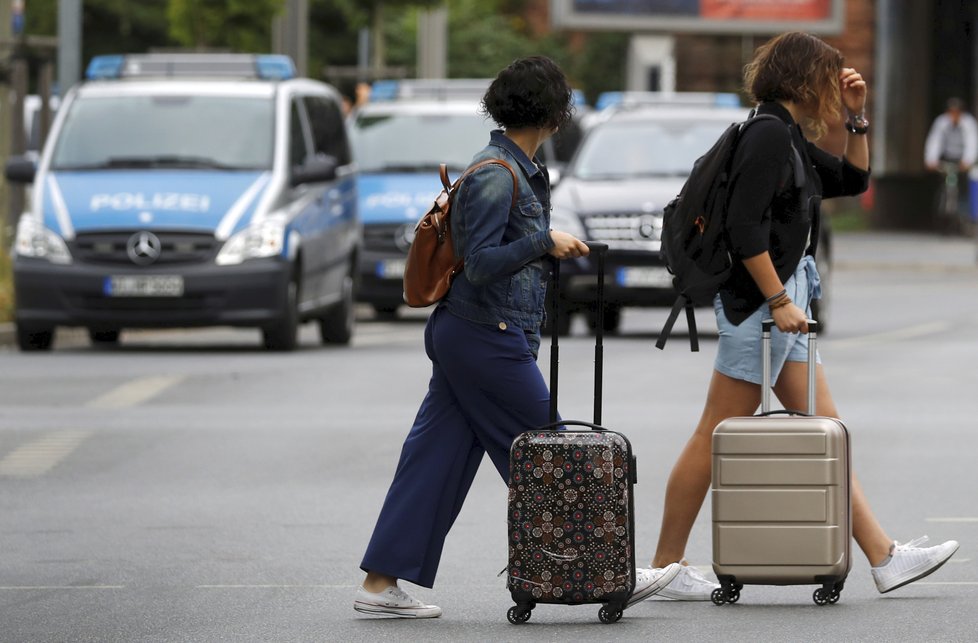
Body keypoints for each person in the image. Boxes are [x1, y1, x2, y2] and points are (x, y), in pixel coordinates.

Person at [353, 56, 681, 619]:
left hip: (477, 333)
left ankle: (380, 584)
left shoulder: (519, 168)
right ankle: (614, 570)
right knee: (550, 453)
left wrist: (544, 245)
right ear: (554, 114)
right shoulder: (494, 174)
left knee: (435, 459)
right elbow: (479, 265)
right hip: (484, 334)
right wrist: (543, 243)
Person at [640, 32, 959, 601]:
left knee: (829, 435)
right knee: (713, 434)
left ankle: (884, 558)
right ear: (804, 78)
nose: (838, 92)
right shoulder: (765, 135)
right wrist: (779, 301)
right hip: (761, 307)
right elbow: (744, 229)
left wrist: (859, 120)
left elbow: (853, 180)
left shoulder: (783, 133)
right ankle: (665, 565)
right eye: (831, 80)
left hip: (783, 303)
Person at [924, 97, 978, 229]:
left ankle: (965, 216)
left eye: (956, 112)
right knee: (943, 183)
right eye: (951, 112)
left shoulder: (968, 123)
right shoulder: (941, 122)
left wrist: (967, 161)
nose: (953, 116)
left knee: (964, 185)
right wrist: (931, 160)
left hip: (961, 160)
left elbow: (972, 143)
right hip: (947, 158)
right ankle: (941, 212)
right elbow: (935, 141)